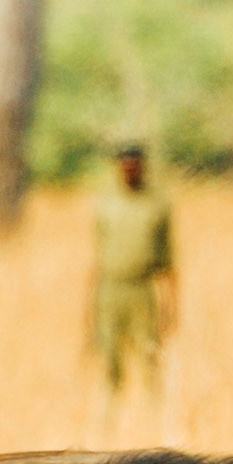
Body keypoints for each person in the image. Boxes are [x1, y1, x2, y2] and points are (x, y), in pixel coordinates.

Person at [90, 142, 177, 396]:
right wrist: (90, 303)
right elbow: (97, 255)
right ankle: (111, 403)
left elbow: (169, 259)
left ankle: (153, 403)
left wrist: (171, 304)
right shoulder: (106, 203)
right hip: (110, 287)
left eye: (135, 166)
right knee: (109, 352)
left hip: (142, 287)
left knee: (149, 349)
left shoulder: (157, 204)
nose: (130, 171)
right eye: (125, 166)